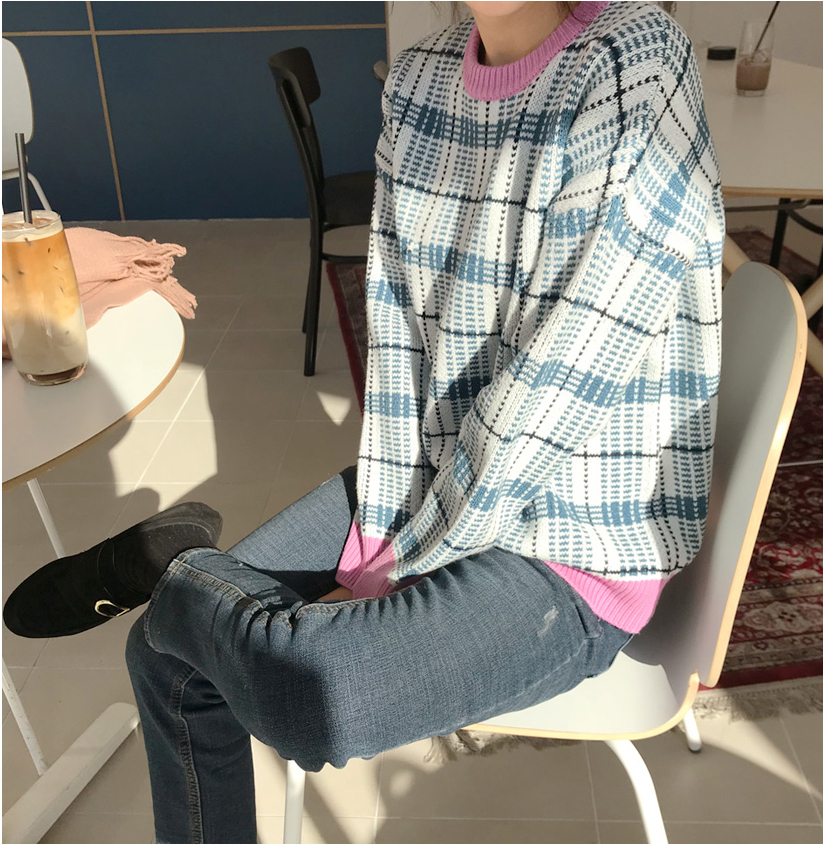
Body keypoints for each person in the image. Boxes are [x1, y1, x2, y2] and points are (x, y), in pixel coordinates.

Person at [4, 2, 724, 841]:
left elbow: (557, 386)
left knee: (314, 698)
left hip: (574, 546)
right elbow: (399, 349)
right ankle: (184, 572)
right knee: (165, 655)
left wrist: (406, 560)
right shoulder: (418, 83)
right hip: (432, 486)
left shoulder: (636, 59)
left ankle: (171, 563)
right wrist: (388, 528)